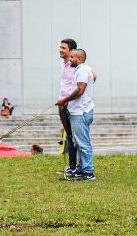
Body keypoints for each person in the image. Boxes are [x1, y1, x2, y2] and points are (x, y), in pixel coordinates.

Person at [57, 48, 94, 181]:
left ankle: (88, 172)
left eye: (72, 57)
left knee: (83, 143)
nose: (70, 59)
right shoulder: (82, 70)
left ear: (79, 59)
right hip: (77, 111)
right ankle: (81, 169)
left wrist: (65, 100)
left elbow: (80, 90)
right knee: (78, 142)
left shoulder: (83, 71)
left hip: (81, 112)